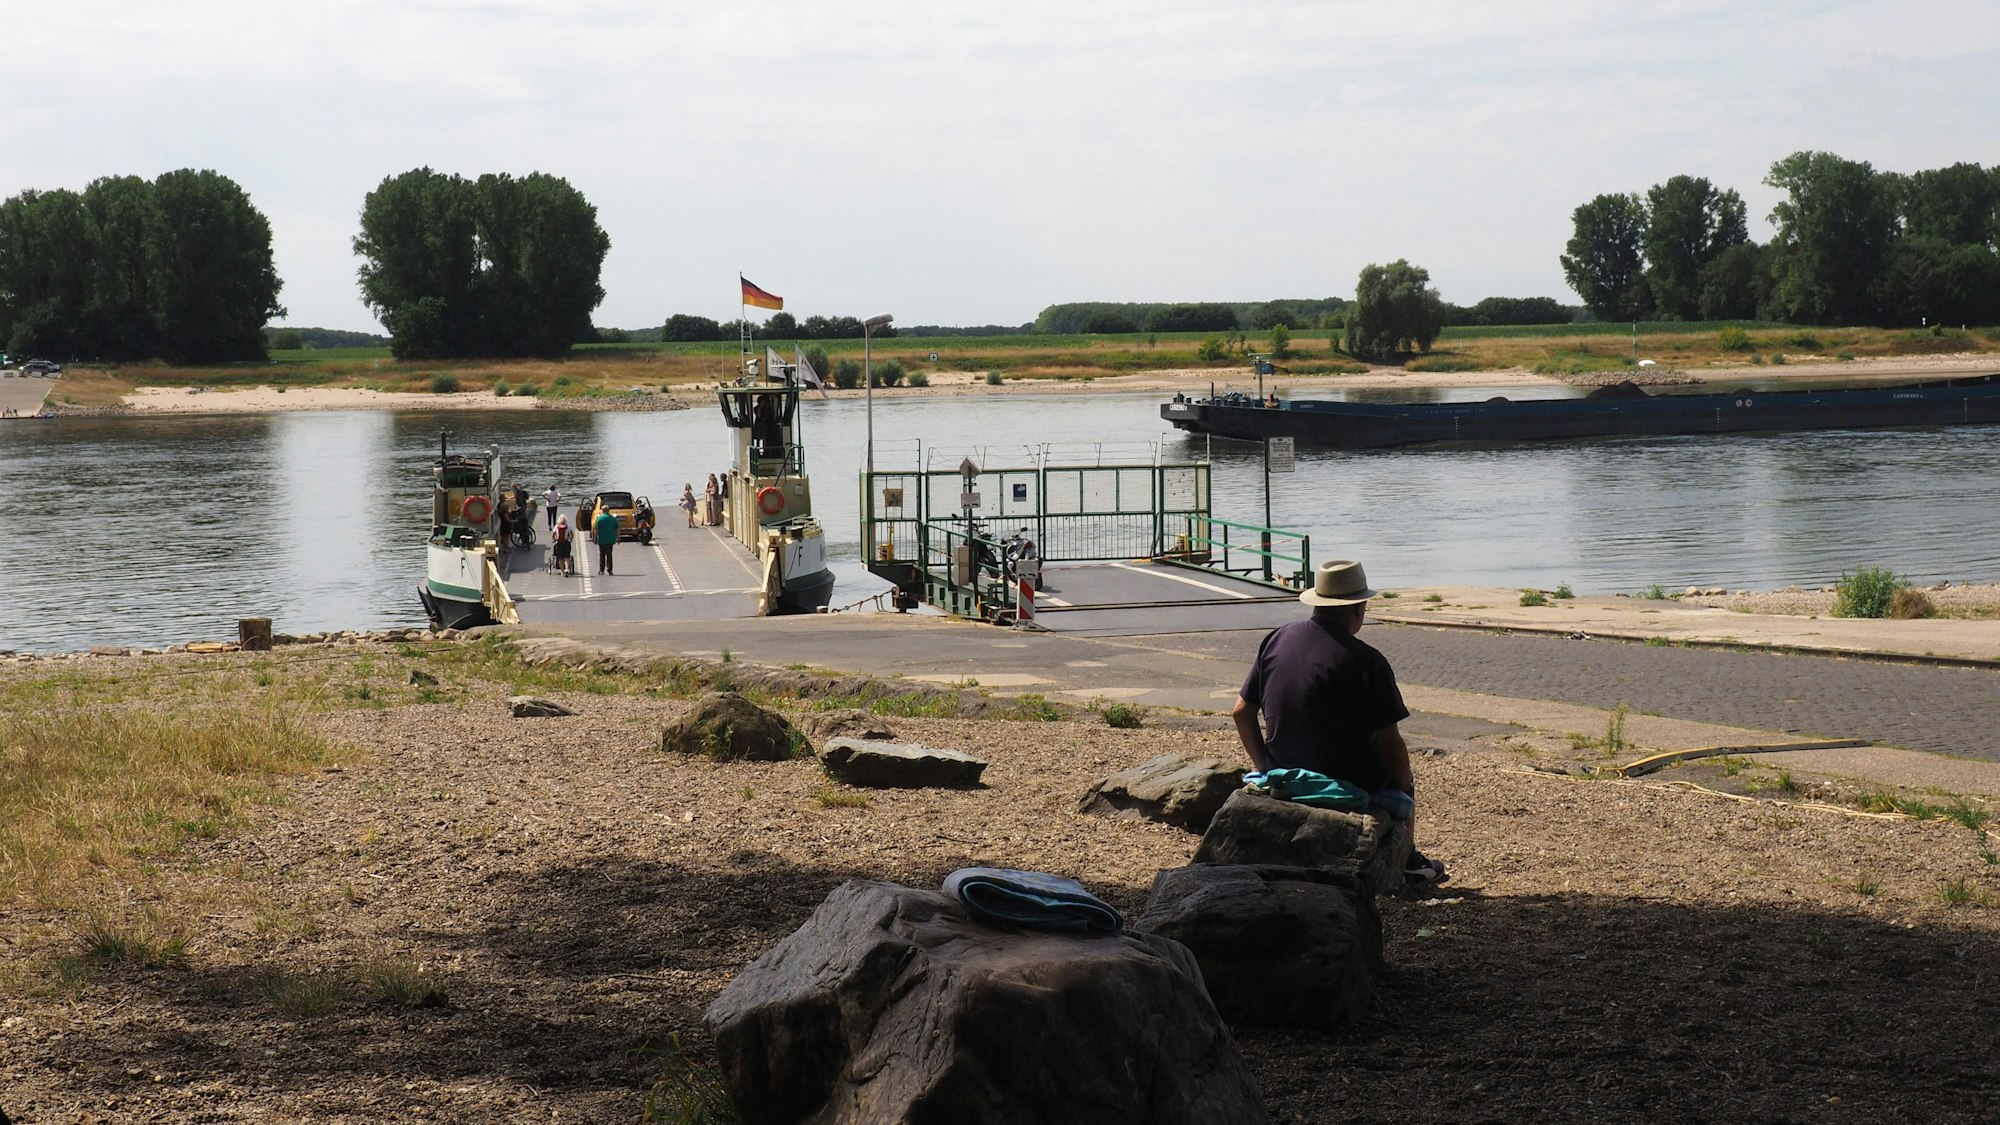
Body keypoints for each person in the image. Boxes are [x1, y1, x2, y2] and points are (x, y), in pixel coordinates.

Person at [1231, 559, 1447, 887]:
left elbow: (1241, 712)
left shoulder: (1278, 638)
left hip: (1284, 772)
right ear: (1359, 608)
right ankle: (1407, 862)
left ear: (1317, 602)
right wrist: (1403, 789)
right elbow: (1391, 744)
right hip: (1347, 781)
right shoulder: (1366, 661)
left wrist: (1264, 765)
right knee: (1403, 773)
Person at [593, 503, 621, 575]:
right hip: (610, 540)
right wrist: (618, 538)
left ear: (603, 510)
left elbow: (596, 530)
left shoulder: (600, 518)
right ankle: (610, 570)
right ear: (608, 510)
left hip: (602, 540)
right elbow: (617, 529)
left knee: (602, 555)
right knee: (609, 555)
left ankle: (601, 570)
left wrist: (595, 538)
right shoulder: (612, 519)